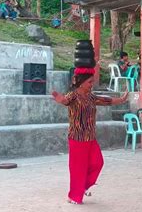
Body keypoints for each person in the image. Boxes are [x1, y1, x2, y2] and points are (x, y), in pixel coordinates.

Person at [52, 68, 129, 204]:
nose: (91, 84)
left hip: (90, 137)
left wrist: (121, 100)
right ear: (81, 82)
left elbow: (106, 101)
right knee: (78, 169)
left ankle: (83, 187)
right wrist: (61, 100)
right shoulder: (73, 95)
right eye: (89, 82)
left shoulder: (91, 96)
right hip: (77, 138)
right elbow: (66, 101)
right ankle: (74, 196)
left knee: (98, 162)